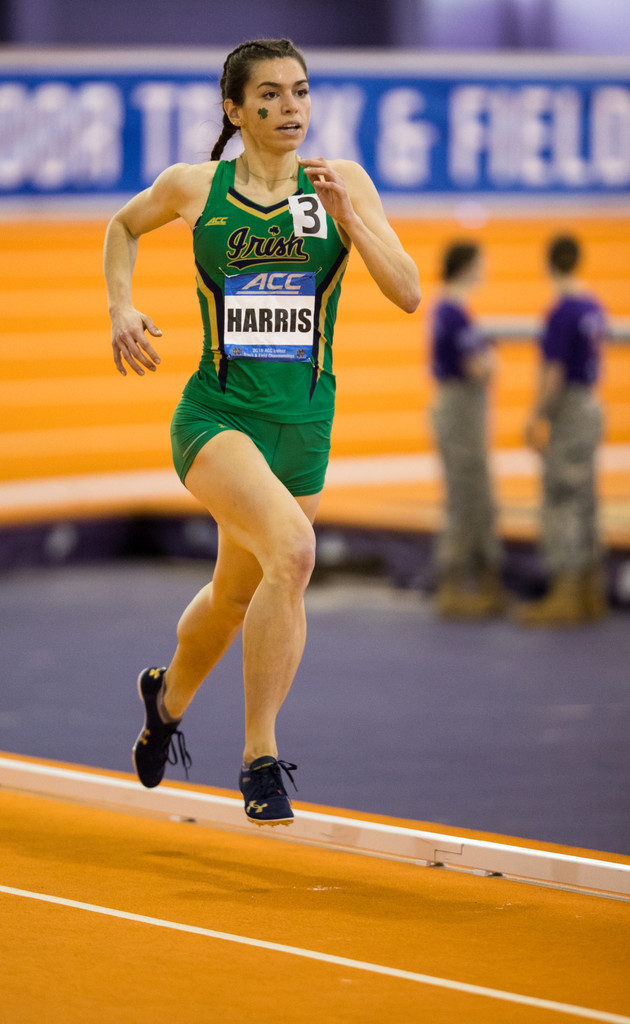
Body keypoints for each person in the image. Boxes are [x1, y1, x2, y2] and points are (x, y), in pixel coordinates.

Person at [103, 38, 420, 826]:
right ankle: (259, 756)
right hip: (217, 417)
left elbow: (409, 292)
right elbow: (121, 225)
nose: (290, 110)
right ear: (235, 110)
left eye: (301, 93)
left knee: (237, 594)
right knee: (296, 552)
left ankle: (164, 701)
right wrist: (121, 305)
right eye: (271, 96)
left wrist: (353, 220)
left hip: (305, 425)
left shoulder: (342, 185)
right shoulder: (194, 187)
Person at [513, 234, 608, 626]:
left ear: (550, 264)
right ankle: (590, 590)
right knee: (585, 496)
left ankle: (566, 593)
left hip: (568, 406)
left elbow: (554, 372)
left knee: (562, 496)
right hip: (591, 403)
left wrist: (536, 415)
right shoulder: (593, 306)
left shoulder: (562, 312)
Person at [429, 241, 507, 618]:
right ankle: (454, 581)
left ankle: (480, 578)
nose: (485, 270)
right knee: (466, 491)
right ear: (466, 267)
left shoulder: (454, 310)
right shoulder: (453, 311)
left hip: (462, 406)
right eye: (480, 264)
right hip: (459, 406)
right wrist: (491, 363)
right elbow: (479, 368)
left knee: (476, 491)